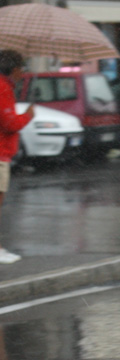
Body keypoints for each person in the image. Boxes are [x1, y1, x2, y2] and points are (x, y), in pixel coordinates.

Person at [0, 50, 33, 265]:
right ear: (13, 69)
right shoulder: (3, 89)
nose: (23, 72)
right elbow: (9, 124)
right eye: (22, 67)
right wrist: (28, 115)